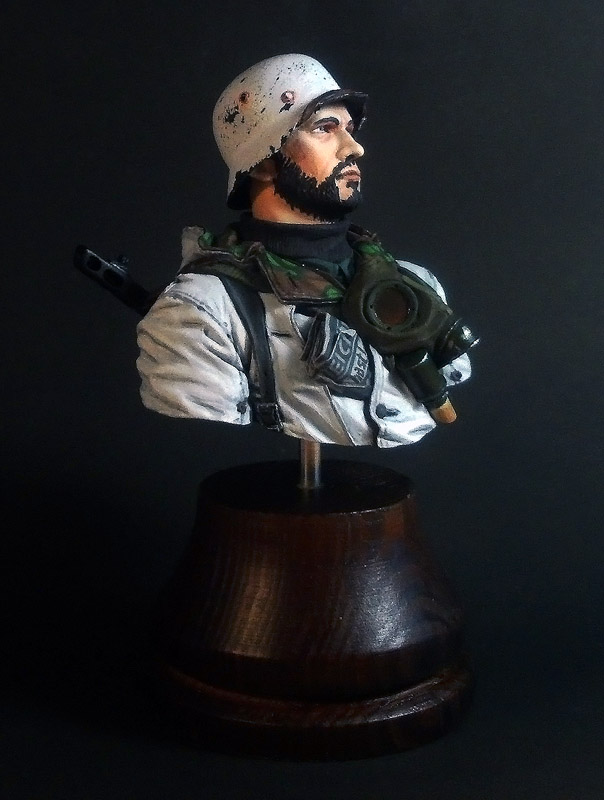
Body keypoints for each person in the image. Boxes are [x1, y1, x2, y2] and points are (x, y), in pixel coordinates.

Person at [136, 54, 474, 448]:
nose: (354, 148)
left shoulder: (415, 281)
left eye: (349, 129)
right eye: (325, 129)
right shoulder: (201, 312)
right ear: (262, 162)